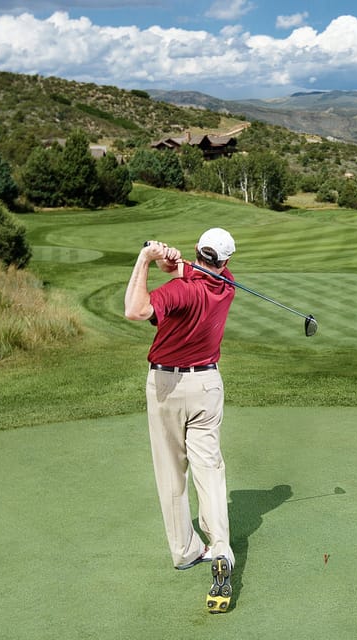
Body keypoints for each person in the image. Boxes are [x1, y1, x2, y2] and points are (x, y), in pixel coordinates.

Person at [123, 228, 238, 612]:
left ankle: (187, 551)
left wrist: (146, 260)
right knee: (209, 468)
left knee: (172, 473)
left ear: (196, 252)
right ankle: (220, 548)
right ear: (226, 261)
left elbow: (135, 311)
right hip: (207, 384)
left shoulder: (180, 291)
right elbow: (194, 281)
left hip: (167, 387)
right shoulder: (228, 287)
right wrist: (174, 268)